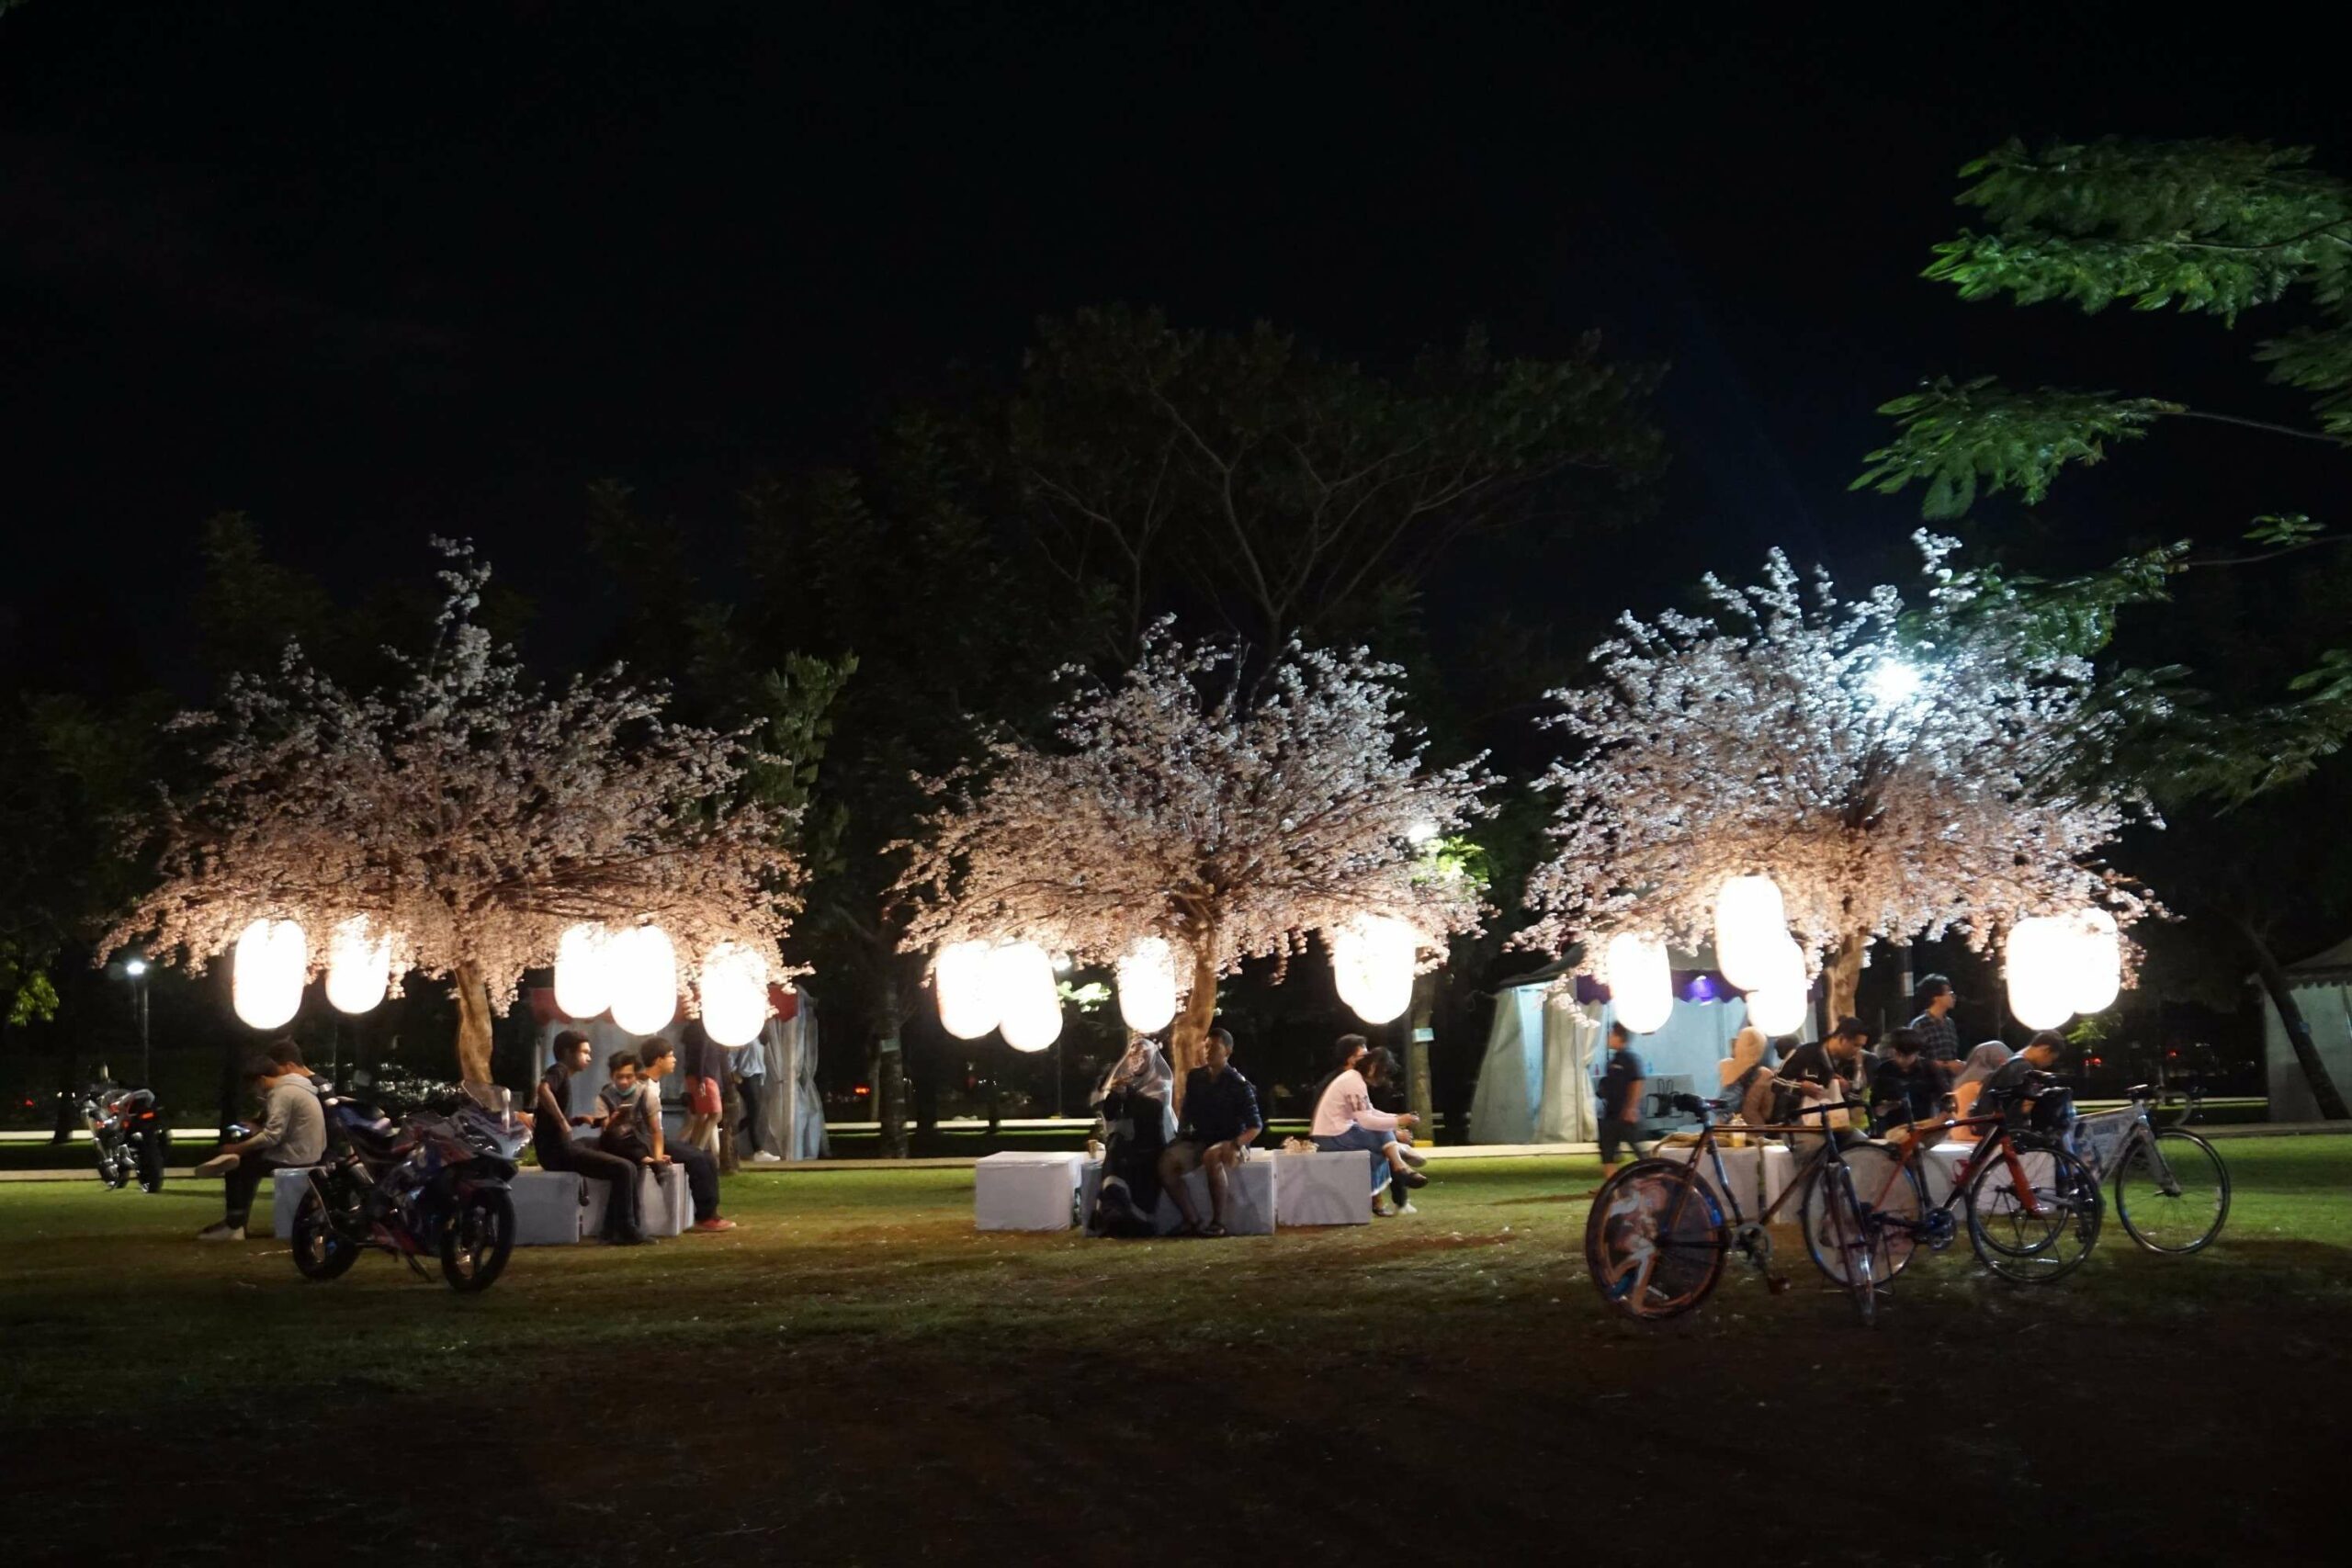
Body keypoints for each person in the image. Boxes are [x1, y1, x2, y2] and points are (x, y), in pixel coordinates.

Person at [194, 1037, 325, 1241]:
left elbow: (272, 1136)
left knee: (241, 1166)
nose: (255, 1092)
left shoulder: (281, 1093)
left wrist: (238, 1148)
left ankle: (235, 1224)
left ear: (261, 1080)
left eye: (254, 1087)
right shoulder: (302, 1088)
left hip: (295, 1157)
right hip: (310, 1152)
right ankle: (235, 1222)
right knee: (247, 1159)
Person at [531, 1030, 648, 1245]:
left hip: (562, 1146)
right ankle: (626, 1229)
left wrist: (577, 1120)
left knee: (613, 1151)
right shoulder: (559, 1069)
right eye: (584, 1052)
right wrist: (562, 1121)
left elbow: (548, 1117)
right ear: (568, 1052)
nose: (589, 1057)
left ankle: (611, 1230)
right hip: (558, 1153)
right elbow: (543, 1089)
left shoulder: (563, 1075)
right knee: (624, 1168)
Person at [605, 1042, 735, 1233]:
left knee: (706, 1157)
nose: (674, 1060)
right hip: (644, 1142)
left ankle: (710, 1213)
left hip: (656, 1139)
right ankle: (706, 1216)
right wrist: (654, 1155)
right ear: (659, 1060)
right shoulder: (641, 1085)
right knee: (697, 1159)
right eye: (670, 1056)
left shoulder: (652, 1083)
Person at [1158, 1027, 1262, 1235]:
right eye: (1206, 1047)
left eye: (1214, 1048)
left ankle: (1218, 1223)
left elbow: (1255, 1126)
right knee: (1166, 1163)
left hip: (1232, 1141)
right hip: (1202, 1139)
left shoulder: (1239, 1085)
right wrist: (1181, 1137)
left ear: (1228, 1051)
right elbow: (1187, 1112)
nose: (1208, 1051)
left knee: (1211, 1156)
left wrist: (1236, 1144)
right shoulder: (1196, 1078)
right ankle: (1192, 1220)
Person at [1309, 1034, 1427, 1214]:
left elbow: (1369, 1111)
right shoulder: (1352, 1081)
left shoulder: (1353, 1078)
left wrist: (1398, 1118)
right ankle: (1400, 1163)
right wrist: (1397, 1122)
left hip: (1339, 1131)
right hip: (1332, 1136)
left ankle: (1399, 1161)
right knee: (1383, 1136)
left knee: (1383, 1142)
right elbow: (1366, 1120)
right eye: (1364, 1055)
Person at [1090, 1037, 1175, 1235]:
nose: (1137, 1057)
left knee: (1127, 1155)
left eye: (1143, 1053)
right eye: (1133, 1052)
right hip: (1125, 1145)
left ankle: (1136, 1218)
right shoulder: (1123, 1083)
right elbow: (1110, 1114)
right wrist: (1116, 1095)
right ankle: (1112, 1211)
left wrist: (1129, 1094)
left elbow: (1152, 1115)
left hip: (1151, 1146)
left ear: (1152, 1058)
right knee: (1116, 1147)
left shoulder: (1160, 1083)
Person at [1771, 1015, 1871, 1145]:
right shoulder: (1805, 1052)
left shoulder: (1853, 1062)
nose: (1858, 1050)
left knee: (1860, 1142)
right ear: (1841, 1038)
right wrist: (1800, 1087)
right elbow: (1776, 1082)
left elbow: (1858, 1098)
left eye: (1861, 1046)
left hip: (1835, 1124)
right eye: (1856, 1045)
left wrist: (1847, 1087)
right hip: (1796, 1124)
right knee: (1817, 1145)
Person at [1867, 1027, 1945, 1144]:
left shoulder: (1929, 1069)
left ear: (1917, 1053)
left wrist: (1940, 1119)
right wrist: (1885, 1106)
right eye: (1897, 1054)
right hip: (1891, 1130)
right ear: (1892, 1050)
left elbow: (1944, 1096)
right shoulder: (1884, 1069)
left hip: (1922, 1126)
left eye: (1906, 1056)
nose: (1901, 1059)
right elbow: (1874, 1101)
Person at [1596, 1021, 1646, 1177]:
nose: (1608, 1038)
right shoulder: (1614, 1061)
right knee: (1607, 1150)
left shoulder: (1629, 1059)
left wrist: (1632, 1108)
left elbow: (1637, 1082)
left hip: (1624, 1113)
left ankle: (1653, 1176)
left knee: (1637, 1149)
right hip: (1611, 1113)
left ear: (1619, 1037)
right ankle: (1612, 1185)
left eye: (1611, 1035)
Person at [678, 1019, 725, 1157]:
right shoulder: (704, 1029)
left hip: (701, 1075)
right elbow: (702, 1054)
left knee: (702, 1115)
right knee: (715, 1114)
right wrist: (701, 1078)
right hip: (705, 1076)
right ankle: (698, 1149)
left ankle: (695, 1150)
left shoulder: (696, 1030)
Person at [1906, 976, 1964, 1082]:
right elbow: (1913, 1060)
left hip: (1949, 1084)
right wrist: (1947, 1065)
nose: (1952, 995)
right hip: (1927, 1085)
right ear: (1936, 997)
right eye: (1947, 991)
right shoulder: (1919, 1025)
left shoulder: (1950, 1023)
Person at [732, 1034, 776, 1163]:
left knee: (756, 1113)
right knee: (755, 1112)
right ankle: (758, 1150)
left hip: (758, 1075)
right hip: (746, 1076)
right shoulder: (744, 1035)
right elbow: (732, 1055)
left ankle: (727, 1132)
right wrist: (733, 1073)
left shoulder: (759, 1038)